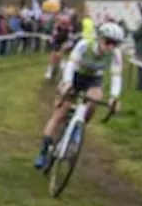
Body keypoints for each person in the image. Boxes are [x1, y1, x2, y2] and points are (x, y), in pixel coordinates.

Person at [34, 22, 125, 169]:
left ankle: (79, 126)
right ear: (99, 38)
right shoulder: (84, 45)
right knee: (60, 114)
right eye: (108, 42)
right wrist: (67, 83)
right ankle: (43, 151)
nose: (111, 47)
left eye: (115, 44)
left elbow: (116, 76)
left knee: (95, 99)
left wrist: (114, 96)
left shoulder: (115, 54)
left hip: (93, 79)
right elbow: (70, 65)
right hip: (75, 75)